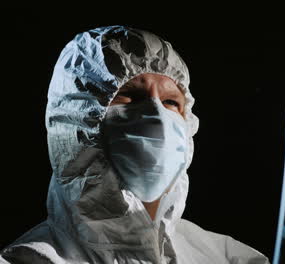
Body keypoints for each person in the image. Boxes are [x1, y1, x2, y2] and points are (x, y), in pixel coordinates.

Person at [0, 25, 270, 264]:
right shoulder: (33, 259)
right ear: (76, 121)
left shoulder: (230, 257)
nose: (157, 115)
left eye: (171, 102)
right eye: (130, 96)